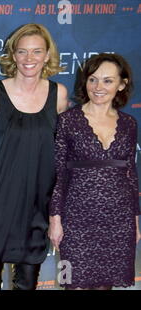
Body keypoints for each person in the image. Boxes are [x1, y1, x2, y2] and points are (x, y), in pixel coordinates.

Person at [0, 23, 68, 290]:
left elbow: (62, 154)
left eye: (36, 51)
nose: (29, 58)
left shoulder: (59, 95)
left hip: (37, 207)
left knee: (27, 283)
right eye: (23, 51)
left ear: (47, 55)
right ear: (12, 55)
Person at [48, 53, 141, 290]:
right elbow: (58, 172)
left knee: (105, 286)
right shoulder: (68, 120)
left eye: (108, 81)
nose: (98, 87)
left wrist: (136, 221)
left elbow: (131, 173)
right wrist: (55, 219)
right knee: (73, 284)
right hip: (76, 218)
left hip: (118, 219)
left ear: (122, 84)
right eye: (93, 79)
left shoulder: (129, 123)